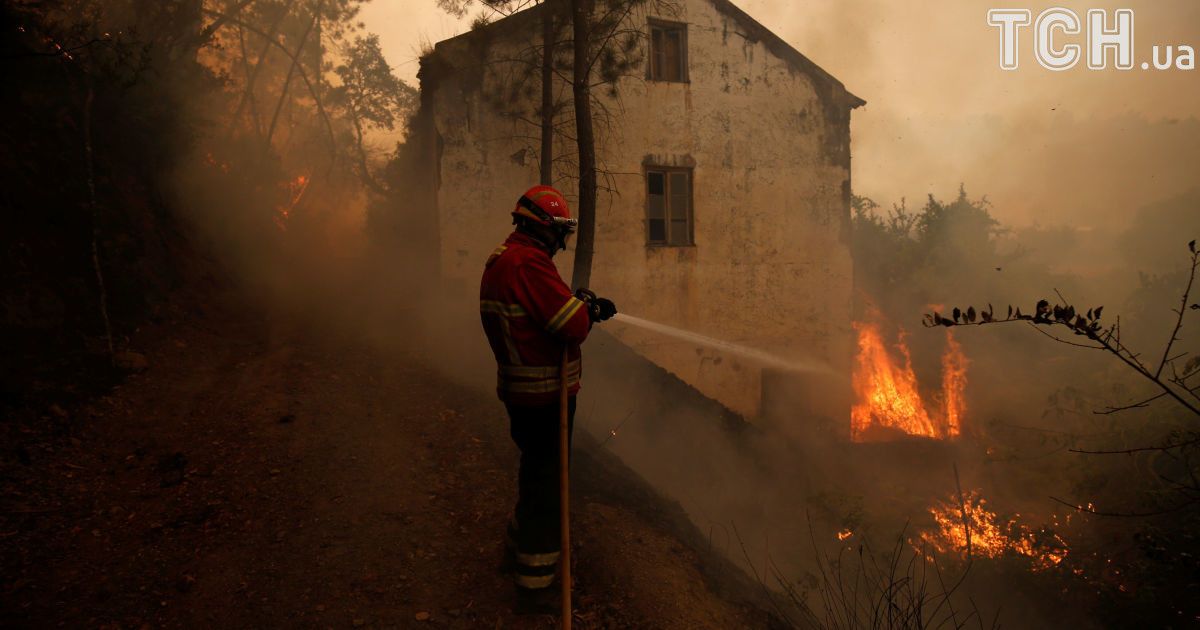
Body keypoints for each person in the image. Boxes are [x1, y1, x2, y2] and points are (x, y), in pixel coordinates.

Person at [478, 185, 617, 612]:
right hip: (543, 397)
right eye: (559, 231)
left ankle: (515, 548)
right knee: (548, 490)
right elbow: (569, 326)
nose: (561, 240)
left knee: (534, 474)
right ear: (543, 227)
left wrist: (579, 305)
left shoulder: (504, 257)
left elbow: (543, 312)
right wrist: (588, 313)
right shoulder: (529, 264)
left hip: (522, 392)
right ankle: (534, 586)